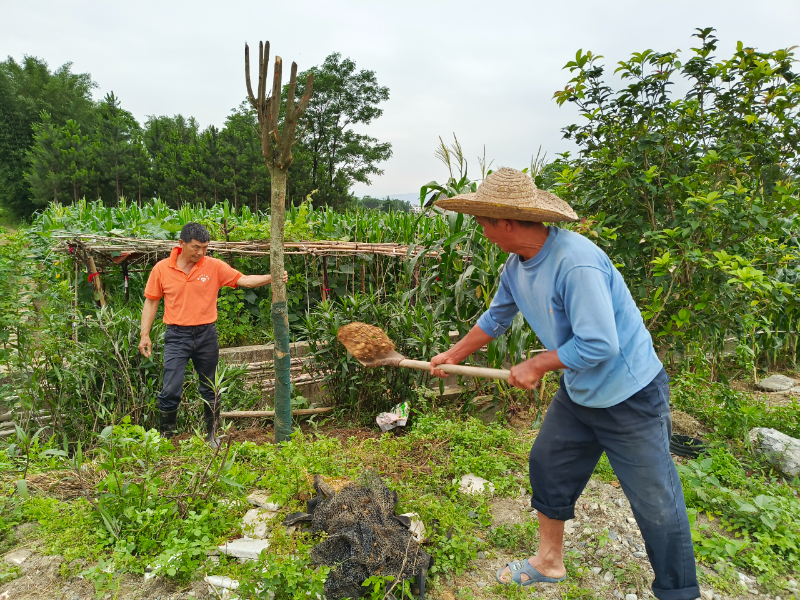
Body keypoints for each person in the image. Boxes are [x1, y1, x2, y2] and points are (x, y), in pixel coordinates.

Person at [429, 168, 699, 600]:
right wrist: (454, 354)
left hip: (630, 396)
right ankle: (549, 563)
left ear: (508, 222)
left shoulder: (576, 263)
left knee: (656, 504)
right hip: (580, 391)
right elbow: (496, 318)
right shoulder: (516, 266)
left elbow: (600, 343)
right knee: (549, 463)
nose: (479, 229)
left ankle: (679, 593)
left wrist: (538, 364)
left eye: (482, 219)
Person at [138, 222, 288, 448]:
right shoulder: (161, 269)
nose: (201, 252)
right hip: (177, 336)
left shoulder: (214, 266)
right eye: (196, 247)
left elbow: (243, 280)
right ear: (181, 244)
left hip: (206, 334)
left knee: (210, 387)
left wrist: (273, 277)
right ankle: (166, 437)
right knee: (170, 388)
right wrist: (145, 334)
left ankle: (212, 435)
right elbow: (151, 302)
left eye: (205, 248)